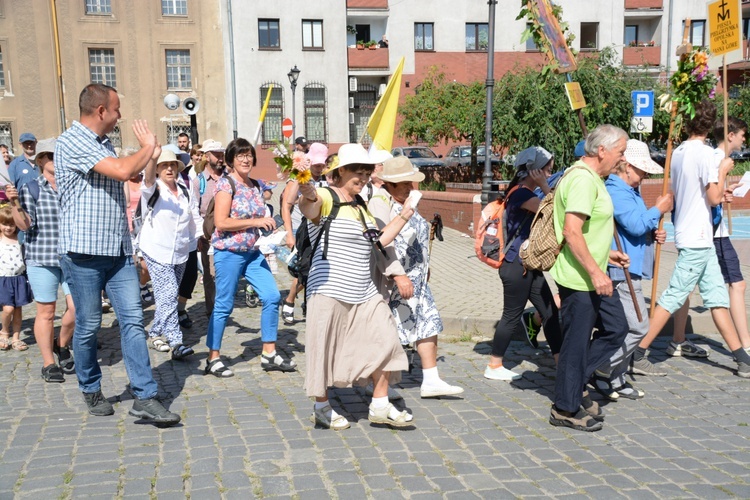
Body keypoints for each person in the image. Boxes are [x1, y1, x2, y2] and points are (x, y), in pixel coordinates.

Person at [56, 83, 180, 425]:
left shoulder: (102, 143)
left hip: (118, 249)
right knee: (89, 324)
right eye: (115, 109)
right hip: (83, 251)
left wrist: (140, 163)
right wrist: (149, 147)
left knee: (133, 322)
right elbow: (122, 170)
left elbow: (121, 174)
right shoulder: (73, 140)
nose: (119, 116)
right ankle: (90, 386)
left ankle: (145, 396)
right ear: (100, 111)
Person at [298, 143, 416, 430]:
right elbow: (309, 206)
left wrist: (404, 215)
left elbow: (379, 242)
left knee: (386, 338)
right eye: (356, 172)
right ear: (339, 172)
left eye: (365, 172)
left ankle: (379, 404)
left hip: (364, 289)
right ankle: (322, 406)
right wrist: (305, 187)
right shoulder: (326, 195)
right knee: (324, 348)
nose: (362, 178)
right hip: (328, 287)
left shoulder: (361, 205)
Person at [633, 100, 750, 378]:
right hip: (698, 235)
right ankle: (638, 351)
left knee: (716, 296)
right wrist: (722, 173)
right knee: (674, 295)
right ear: (710, 126)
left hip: (696, 233)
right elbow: (712, 197)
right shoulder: (708, 155)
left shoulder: (680, 151)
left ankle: (741, 357)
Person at [548, 124, 630, 432]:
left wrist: (606, 255)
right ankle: (565, 407)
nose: (622, 159)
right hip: (581, 277)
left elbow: (585, 231)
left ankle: (576, 382)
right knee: (575, 344)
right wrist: (596, 271)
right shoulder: (583, 180)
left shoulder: (591, 177)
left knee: (616, 328)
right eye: (620, 152)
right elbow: (571, 231)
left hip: (593, 272)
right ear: (602, 151)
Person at [369, 156, 464, 398]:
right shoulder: (380, 203)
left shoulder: (406, 201)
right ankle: (380, 386)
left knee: (428, 323)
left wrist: (425, 264)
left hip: (417, 278)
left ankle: (431, 379)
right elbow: (381, 244)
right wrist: (398, 275)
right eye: (405, 183)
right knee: (389, 333)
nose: (410, 187)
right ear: (390, 184)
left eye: (411, 182)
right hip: (394, 280)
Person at [588, 139, 672, 400]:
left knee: (631, 326)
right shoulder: (616, 190)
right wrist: (657, 210)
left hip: (632, 267)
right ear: (626, 166)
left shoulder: (631, 190)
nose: (645, 175)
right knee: (637, 327)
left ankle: (616, 377)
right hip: (620, 269)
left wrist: (653, 233)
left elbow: (639, 228)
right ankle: (603, 367)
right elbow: (634, 225)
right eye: (641, 170)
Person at [205, 137, 295, 377]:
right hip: (229, 252)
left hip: (253, 252)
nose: (246, 159)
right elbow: (222, 222)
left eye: (249, 155)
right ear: (231, 160)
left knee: (272, 295)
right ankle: (213, 356)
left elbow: (265, 212)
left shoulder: (256, 185)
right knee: (224, 304)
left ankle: (268, 352)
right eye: (240, 155)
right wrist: (256, 221)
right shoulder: (226, 185)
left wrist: (270, 228)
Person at [668, 117, 750, 361]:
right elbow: (711, 196)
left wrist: (725, 190)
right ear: (731, 135)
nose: (744, 138)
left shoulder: (707, 155)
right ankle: (744, 344)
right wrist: (722, 185)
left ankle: (677, 340)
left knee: (686, 287)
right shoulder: (713, 157)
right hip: (711, 232)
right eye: (742, 134)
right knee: (736, 284)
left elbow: (710, 194)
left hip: (706, 229)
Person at [485, 147, 562, 381]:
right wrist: (547, 187)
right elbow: (551, 211)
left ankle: (561, 362)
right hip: (516, 266)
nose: (550, 171)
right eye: (546, 167)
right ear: (534, 169)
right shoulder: (520, 194)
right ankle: (494, 365)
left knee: (550, 312)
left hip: (529, 264)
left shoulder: (528, 191)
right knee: (511, 315)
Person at [6, 138, 77, 382]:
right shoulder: (32, 187)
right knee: (46, 313)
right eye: (53, 156)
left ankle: (62, 344)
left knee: (77, 308)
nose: (58, 160)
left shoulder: (73, 185)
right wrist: (14, 202)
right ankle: (48, 363)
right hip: (42, 257)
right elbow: (24, 224)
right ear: (41, 160)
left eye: (61, 155)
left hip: (71, 256)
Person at [138, 149, 199, 360]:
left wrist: (200, 239)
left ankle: (155, 332)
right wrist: (152, 157)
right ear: (157, 170)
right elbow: (146, 180)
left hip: (181, 250)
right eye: (164, 166)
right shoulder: (153, 188)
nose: (170, 169)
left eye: (172, 165)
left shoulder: (184, 190)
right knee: (171, 292)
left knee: (167, 297)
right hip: (156, 249)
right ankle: (176, 341)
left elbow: (194, 217)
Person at [279, 142, 329, 323]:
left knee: (320, 269)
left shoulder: (328, 176)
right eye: (316, 163)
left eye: (322, 163)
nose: (319, 167)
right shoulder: (299, 177)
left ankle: (313, 304)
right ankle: (290, 300)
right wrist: (289, 234)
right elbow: (286, 206)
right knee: (305, 269)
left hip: (324, 228)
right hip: (304, 229)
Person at [196, 139, 226, 317]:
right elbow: (193, 209)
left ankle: (221, 304)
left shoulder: (228, 178)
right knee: (210, 274)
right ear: (207, 157)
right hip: (208, 235)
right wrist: (199, 235)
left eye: (222, 154)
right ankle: (212, 309)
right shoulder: (198, 181)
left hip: (228, 232)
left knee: (225, 272)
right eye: (217, 155)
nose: (221, 158)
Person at [0, 205, 32, 351]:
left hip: (19, 278)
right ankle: (4, 331)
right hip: (3, 279)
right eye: (4, 224)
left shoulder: (19, 239)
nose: (8, 228)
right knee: (8, 309)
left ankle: (16, 338)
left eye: (11, 224)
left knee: (18, 309)